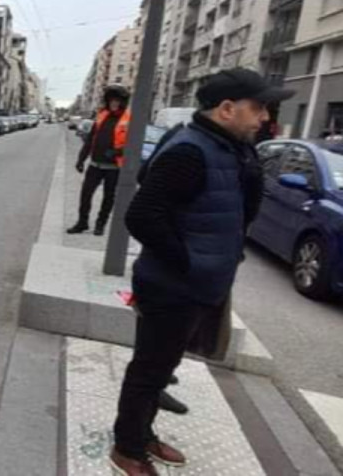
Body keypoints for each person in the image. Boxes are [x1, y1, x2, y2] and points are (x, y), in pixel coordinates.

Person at [109, 68, 293, 476]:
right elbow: (142, 215)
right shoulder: (192, 150)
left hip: (197, 282)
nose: (264, 116)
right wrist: (189, 261)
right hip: (175, 285)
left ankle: (142, 433)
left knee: (161, 368)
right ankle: (127, 447)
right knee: (149, 370)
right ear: (227, 109)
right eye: (257, 107)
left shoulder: (227, 145)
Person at [69, 85, 132, 236]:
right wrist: (81, 159)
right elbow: (90, 139)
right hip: (95, 164)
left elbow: (133, 144)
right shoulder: (102, 115)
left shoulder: (128, 119)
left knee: (108, 198)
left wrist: (117, 151)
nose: (114, 103)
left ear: (122, 102)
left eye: (117, 101)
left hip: (114, 167)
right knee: (85, 194)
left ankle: (100, 225)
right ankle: (82, 222)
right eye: (111, 100)